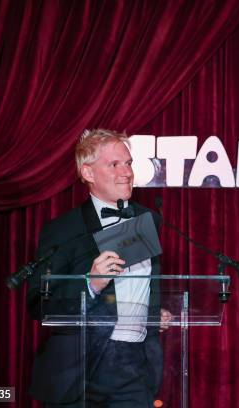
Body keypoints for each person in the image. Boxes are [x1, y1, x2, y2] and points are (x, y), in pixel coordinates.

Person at [27, 129, 168, 407]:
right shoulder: (63, 230)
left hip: (135, 365)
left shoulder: (149, 219)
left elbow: (145, 287)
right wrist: (90, 284)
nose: (126, 172)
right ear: (88, 173)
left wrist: (153, 313)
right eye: (114, 164)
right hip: (81, 366)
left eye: (128, 163)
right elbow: (38, 304)